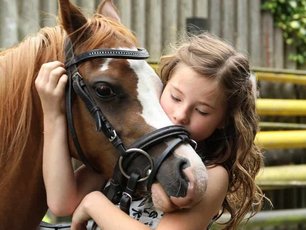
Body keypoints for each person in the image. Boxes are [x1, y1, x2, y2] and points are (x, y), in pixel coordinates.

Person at [35, 32, 265, 230]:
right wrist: (53, 115)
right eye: (175, 97)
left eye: (202, 111)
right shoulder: (134, 150)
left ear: (224, 120)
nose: (180, 114)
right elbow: (62, 202)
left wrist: (93, 203)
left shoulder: (213, 174)